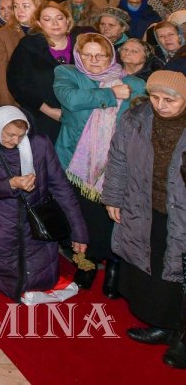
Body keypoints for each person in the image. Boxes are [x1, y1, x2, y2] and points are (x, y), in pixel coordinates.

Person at [103, 70, 186, 365]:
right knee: (155, 267)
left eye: (170, 100)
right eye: (155, 97)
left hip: (182, 212)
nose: (161, 105)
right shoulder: (135, 119)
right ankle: (164, 324)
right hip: (146, 205)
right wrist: (113, 196)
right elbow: (118, 159)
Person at [53, 33, 146, 293]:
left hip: (117, 163)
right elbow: (71, 100)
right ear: (78, 55)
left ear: (111, 55)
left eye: (101, 55)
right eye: (88, 55)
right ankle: (87, 264)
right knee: (82, 216)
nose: (94, 60)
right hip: (76, 162)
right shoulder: (67, 73)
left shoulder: (135, 83)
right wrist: (111, 93)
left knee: (113, 218)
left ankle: (114, 267)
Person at [0, 105, 88, 301]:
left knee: (40, 280)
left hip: (36, 228)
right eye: (10, 135)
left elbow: (61, 188)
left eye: (21, 136)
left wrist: (79, 232)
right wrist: (11, 184)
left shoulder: (39, 144)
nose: (15, 141)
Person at [8, 1, 73, 141]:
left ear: (67, 21)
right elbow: (17, 84)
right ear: (39, 23)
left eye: (59, 18)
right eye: (47, 19)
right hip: (41, 117)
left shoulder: (81, 45)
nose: (55, 23)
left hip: (78, 117)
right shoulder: (28, 46)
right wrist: (48, 110)